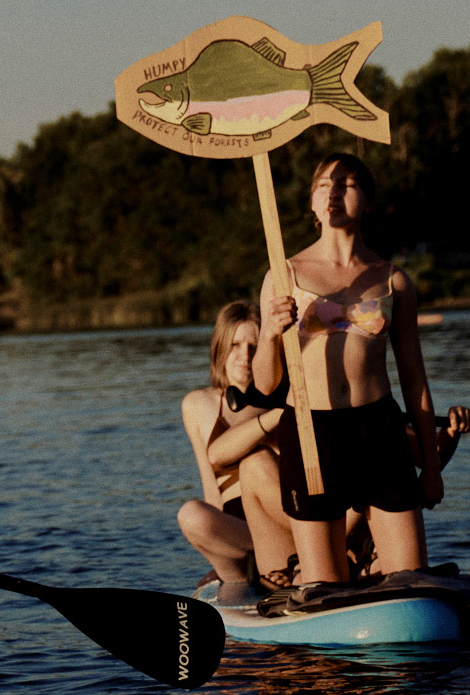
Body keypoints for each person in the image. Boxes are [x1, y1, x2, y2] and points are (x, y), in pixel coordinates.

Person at [254, 153, 442, 590]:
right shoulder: (284, 275)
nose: (334, 192)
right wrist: (268, 333)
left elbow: (415, 380)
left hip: (379, 428)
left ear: (369, 202)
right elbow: (264, 384)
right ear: (313, 205)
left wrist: (430, 468)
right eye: (324, 185)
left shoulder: (393, 281)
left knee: (410, 581)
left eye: (348, 183)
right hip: (310, 430)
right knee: (325, 589)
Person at [176, 302, 298, 607]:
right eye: (235, 345)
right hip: (235, 531)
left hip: (278, 522)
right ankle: (245, 572)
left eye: (254, 347)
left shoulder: (283, 402)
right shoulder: (197, 404)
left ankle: (283, 560)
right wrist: (216, 542)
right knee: (191, 514)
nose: (244, 357)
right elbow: (210, 482)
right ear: (220, 348)